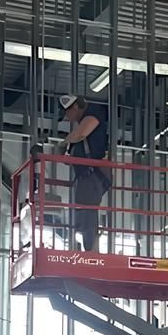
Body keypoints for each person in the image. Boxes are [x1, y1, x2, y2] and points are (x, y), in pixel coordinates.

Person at [55, 92, 110, 250]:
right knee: (85, 214)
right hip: (86, 176)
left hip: (92, 174)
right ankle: (89, 249)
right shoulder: (79, 129)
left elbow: (81, 134)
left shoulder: (93, 113)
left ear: (75, 106)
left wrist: (64, 143)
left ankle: (91, 252)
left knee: (88, 215)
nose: (67, 117)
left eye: (67, 112)